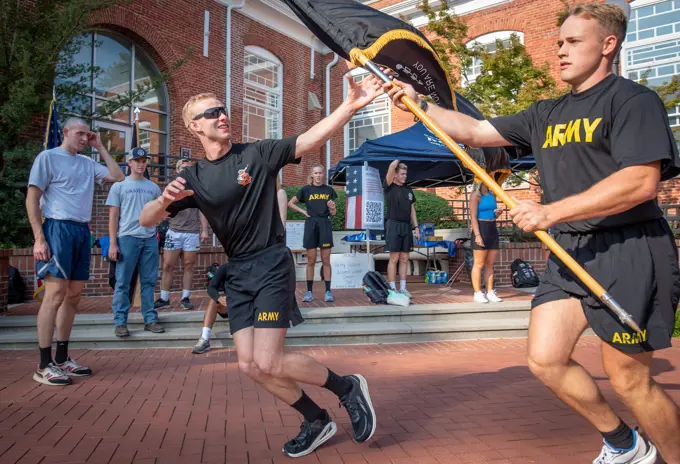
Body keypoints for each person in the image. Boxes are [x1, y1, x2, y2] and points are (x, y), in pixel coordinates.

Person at [386, 4, 680, 463]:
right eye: (559, 41)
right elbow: (474, 130)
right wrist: (415, 101)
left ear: (608, 45)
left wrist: (550, 211)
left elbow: (640, 182)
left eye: (573, 42)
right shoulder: (545, 112)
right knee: (545, 359)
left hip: (629, 248)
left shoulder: (633, 101)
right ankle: (625, 444)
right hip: (569, 251)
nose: (560, 50)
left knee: (628, 380)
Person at [139, 81, 381, 458]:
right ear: (194, 126)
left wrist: (350, 107)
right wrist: (164, 199)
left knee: (269, 359)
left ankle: (346, 387)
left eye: (223, 109)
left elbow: (309, 139)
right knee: (251, 365)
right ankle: (315, 419)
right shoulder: (194, 177)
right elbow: (145, 220)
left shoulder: (256, 154)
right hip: (237, 272)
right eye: (211, 112)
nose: (222, 115)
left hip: (270, 263)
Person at [26, 117, 125, 386]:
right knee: (55, 293)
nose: (84, 139)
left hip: (82, 230)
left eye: (87, 135)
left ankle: (62, 358)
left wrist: (100, 147)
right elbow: (32, 199)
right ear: (66, 132)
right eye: (80, 134)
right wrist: (39, 238)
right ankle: (43, 364)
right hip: (57, 228)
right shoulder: (48, 157)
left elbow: (118, 177)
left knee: (74, 294)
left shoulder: (87, 163)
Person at [194, 178, 285, 354]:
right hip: (229, 303)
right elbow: (211, 287)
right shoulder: (226, 268)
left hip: (246, 306)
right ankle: (204, 338)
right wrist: (219, 297)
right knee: (213, 302)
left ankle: (260, 335)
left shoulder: (255, 268)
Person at [106, 147, 164, 338]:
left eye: (144, 161)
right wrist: (113, 244)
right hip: (127, 238)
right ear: (129, 163)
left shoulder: (153, 188)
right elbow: (113, 216)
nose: (141, 164)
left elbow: (160, 212)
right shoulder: (119, 186)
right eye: (137, 161)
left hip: (149, 239)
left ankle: (150, 319)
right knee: (123, 281)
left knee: (149, 281)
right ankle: (120, 322)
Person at [155, 158, 210, 311]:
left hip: (191, 233)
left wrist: (204, 229)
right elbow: (162, 207)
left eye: (188, 168)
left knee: (189, 265)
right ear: (177, 170)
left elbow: (202, 211)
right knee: (167, 265)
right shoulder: (171, 188)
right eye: (182, 167)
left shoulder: (196, 189)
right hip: (174, 231)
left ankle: (185, 297)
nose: (185, 170)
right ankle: (164, 298)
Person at [288, 164, 337, 302]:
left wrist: (332, 208)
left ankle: (328, 291)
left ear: (323, 174)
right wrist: (303, 212)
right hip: (311, 224)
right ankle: (309, 292)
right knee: (311, 260)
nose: (318, 175)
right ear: (312, 175)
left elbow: (333, 213)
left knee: (326, 260)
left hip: (325, 224)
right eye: (316, 173)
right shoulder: (306, 189)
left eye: (320, 173)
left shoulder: (329, 190)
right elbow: (291, 203)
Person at [384, 159, 420, 297]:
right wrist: (402, 153)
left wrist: (416, 226)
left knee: (405, 257)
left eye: (406, 174)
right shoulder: (389, 186)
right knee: (394, 257)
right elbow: (391, 166)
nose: (405, 176)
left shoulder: (408, 189)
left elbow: (412, 210)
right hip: (393, 224)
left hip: (406, 226)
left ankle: (403, 288)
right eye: (402, 174)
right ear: (395, 175)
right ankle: (392, 288)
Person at [469, 180, 503, 303]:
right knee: (479, 263)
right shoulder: (475, 195)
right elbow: (473, 216)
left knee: (490, 263)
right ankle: (477, 292)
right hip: (481, 227)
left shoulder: (492, 195)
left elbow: (493, 215)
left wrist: (497, 214)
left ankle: (490, 291)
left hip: (492, 227)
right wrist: (477, 235)